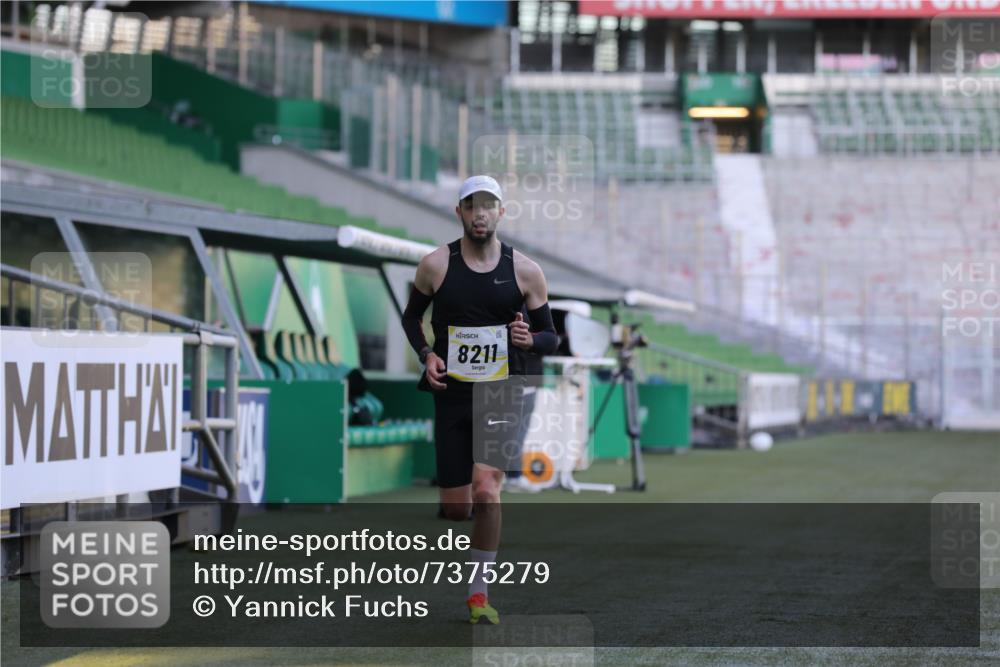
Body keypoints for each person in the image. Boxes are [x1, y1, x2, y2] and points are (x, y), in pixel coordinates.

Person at [400, 175, 558, 624]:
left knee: (488, 493)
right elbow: (413, 318)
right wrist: (427, 354)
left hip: (501, 391)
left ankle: (477, 595)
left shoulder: (525, 270)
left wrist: (530, 340)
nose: (481, 213)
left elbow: (551, 337)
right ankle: (458, 508)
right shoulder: (436, 265)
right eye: (472, 206)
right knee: (458, 507)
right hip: (451, 393)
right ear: (460, 213)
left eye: (489, 205)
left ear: (501, 213)